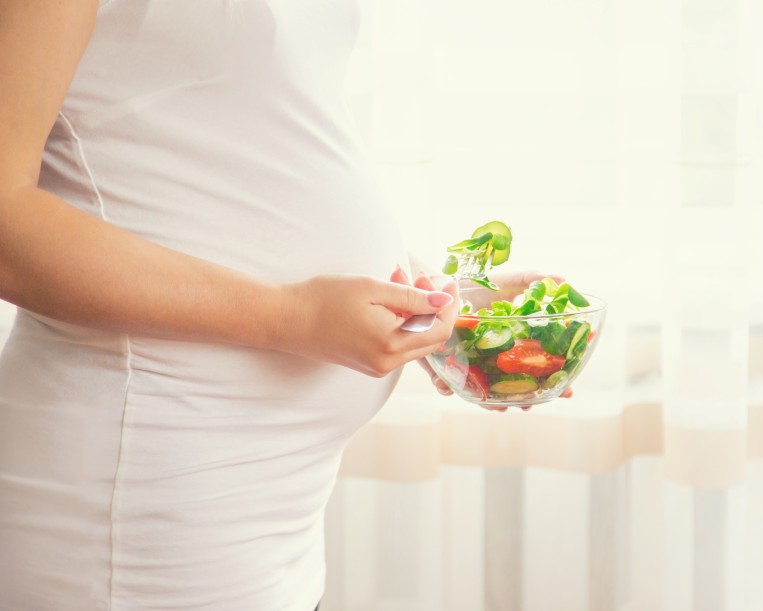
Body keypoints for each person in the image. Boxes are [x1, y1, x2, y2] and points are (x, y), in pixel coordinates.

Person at [0, 0, 571, 608]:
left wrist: (435, 301)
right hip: (141, 513)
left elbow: (237, 151)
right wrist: (290, 315)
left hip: (278, 532)